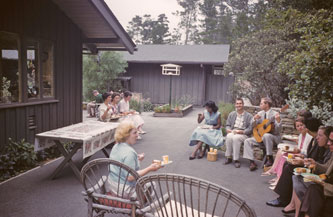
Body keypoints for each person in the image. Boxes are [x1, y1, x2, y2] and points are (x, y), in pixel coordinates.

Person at [266, 119, 331, 208]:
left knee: (290, 168)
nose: (317, 137)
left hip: (318, 172)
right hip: (312, 166)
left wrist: (304, 161)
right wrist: (303, 159)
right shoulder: (316, 141)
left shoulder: (326, 147)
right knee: (288, 164)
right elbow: (312, 157)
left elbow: (321, 164)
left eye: (320, 135)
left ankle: (284, 200)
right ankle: (285, 198)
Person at [282, 127, 333, 216]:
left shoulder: (323, 148)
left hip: (327, 187)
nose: (329, 143)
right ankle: (294, 208)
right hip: (324, 182)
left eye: (332, 141)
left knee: (312, 189)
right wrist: (314, 163)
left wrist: (325, 185)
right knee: (296, 176)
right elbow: (327, 168)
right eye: (329, 140)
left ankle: (295, 209)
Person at [106, 121, 162, 198]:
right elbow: (130, 177)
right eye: (135, 133)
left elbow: (125, 167)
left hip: (112, 186)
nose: (137, 135)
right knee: (152, 184)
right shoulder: (130, 152)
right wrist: (150, 168)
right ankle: (141, 207)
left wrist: (138, 160)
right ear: (126, 135)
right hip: (124, 190)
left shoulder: (116, 146)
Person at [262, 118, 313, 188]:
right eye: (298, 126)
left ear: (305, 125)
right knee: (281, 151)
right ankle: (275, 173)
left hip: (303, 156)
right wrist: (294, 150)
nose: (300, 127)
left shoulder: (309, 136)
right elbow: (299, 148)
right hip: (299, 153)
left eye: (301, 125)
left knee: (284, 157)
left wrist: (297, 151)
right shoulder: (301, 135)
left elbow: (306, 151)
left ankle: (279, 179)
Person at [243, 97, 282, 171]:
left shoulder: (275, 114)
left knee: (266, 135)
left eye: (261, 103)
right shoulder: (260, 113)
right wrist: (254, 119)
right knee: (247, 141)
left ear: (267, 104)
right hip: (261, 137)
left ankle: (270, 158)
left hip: (274, 138)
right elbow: (252, 126)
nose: (259, 105)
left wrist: (278, 121)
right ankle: (252, 162)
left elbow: (278, 130)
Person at [224, 98, 253, 168]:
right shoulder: (232, 114)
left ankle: (236, 159)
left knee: (236, 138)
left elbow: (250, 129)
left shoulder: (249, 116)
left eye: (240, 103)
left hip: (243, 134)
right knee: (229, 136)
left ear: (243, 105)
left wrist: (242, 131)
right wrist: (228, 129)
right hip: (233, 131)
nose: (238, 105)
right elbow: (227, 125)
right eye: (237, 103)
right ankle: (229, 157)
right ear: (235, 105)